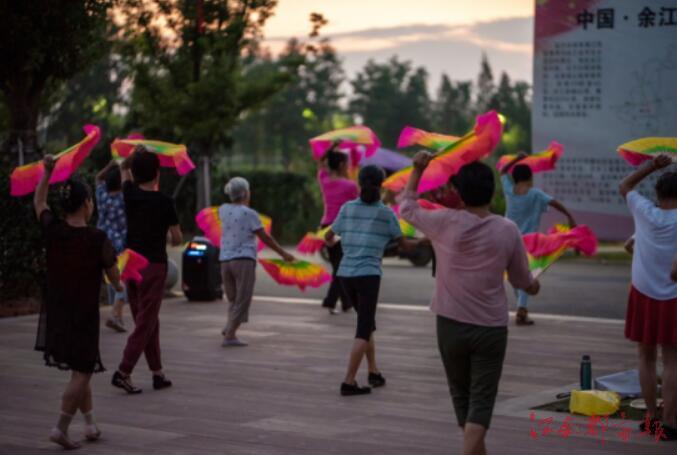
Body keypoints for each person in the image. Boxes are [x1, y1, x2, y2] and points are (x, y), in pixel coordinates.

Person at [400, 152, 540, 455]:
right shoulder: (507, 229)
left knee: (462, 399)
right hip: (490, 330)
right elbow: (521, 280)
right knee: (481, 402)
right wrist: (534, 286)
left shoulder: (444, 222)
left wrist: (418, 169)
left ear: (460, 193)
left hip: (450, 326)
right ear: (491, 191)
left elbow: (407, 208)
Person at [33, 156, 124, 449]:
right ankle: (60, 428)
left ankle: (90, 424)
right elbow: (114, 277)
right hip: (83, 315)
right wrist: (120, 284)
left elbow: (39, 202)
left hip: (58, 312)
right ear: (86, 204)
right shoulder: (97, 239)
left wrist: (47, 173)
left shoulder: (54, 230)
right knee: (83, 371)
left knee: (80, 370)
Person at [325, 165, 414, 396]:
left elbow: (328, 236)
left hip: (345, 275)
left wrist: (337, 243)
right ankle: (349, 382)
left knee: (367, 323)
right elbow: (404, 245)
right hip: (368, 276)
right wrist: (427, 242)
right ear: (381, 185)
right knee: (363, 329)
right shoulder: (386, 213)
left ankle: (373, 371)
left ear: (359, 182)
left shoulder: (347, 208)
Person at [112, 147, 183, 394]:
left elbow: (122, 167)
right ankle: (123, 371)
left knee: (146, 321)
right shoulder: (165, 202)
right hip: (153, 266)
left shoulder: (129, 194)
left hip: (131, 264)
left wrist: (134, 154)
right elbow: (177, 238)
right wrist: (164, 235)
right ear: (157, 174)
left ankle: (157, 373)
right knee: (146, 323)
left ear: (135, 173)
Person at [619, 154, 677, 440]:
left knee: (645, 356)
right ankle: (670, 422)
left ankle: (651, 419)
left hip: (642, 293)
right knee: (673, 359)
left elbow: (625, 186)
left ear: (657, 193)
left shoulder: (643, 211)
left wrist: (653, 165)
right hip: (674, 296)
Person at [499, 153, 575, 325]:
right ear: (529, 178)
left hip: (509, 239)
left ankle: (521, 307)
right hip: (529, 243)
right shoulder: (535, 194)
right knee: (526, 276)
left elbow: (502, 171)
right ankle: (521, 309)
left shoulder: (509, 190)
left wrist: (517, 158)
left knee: (516, 276)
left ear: (515, 178)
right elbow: (555, 203)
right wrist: (569, 216)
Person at [219, 177, 295, 346]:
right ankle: (230, 335)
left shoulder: (223, 210)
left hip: (225, 260)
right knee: (243, 299)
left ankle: (229, 326)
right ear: (246, 193)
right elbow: (265, 238)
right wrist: (283, 254)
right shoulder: (250, 214)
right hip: (243, 260)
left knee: (233, 299)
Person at [317, 146, 359, 314]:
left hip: (326, 227)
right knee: (341, 267)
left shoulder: (324, 180)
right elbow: (357, 204)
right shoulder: (350, 185)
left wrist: (330, 147)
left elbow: (320, 164)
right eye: (347, 163)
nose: (348, 166)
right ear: (342, 165)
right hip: (342, 229)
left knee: (338, 264)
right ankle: (330, 301)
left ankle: (346, 302)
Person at [95, 160, 128, 333]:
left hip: (101, 243)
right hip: (120, 245)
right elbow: (130, 183)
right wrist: (124, 167)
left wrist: (110, 165)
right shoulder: (124, 198)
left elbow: (97, 178)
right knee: (123, 281)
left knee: (111, 281)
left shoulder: (102, 194)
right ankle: (115, 314)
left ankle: (118, 317)